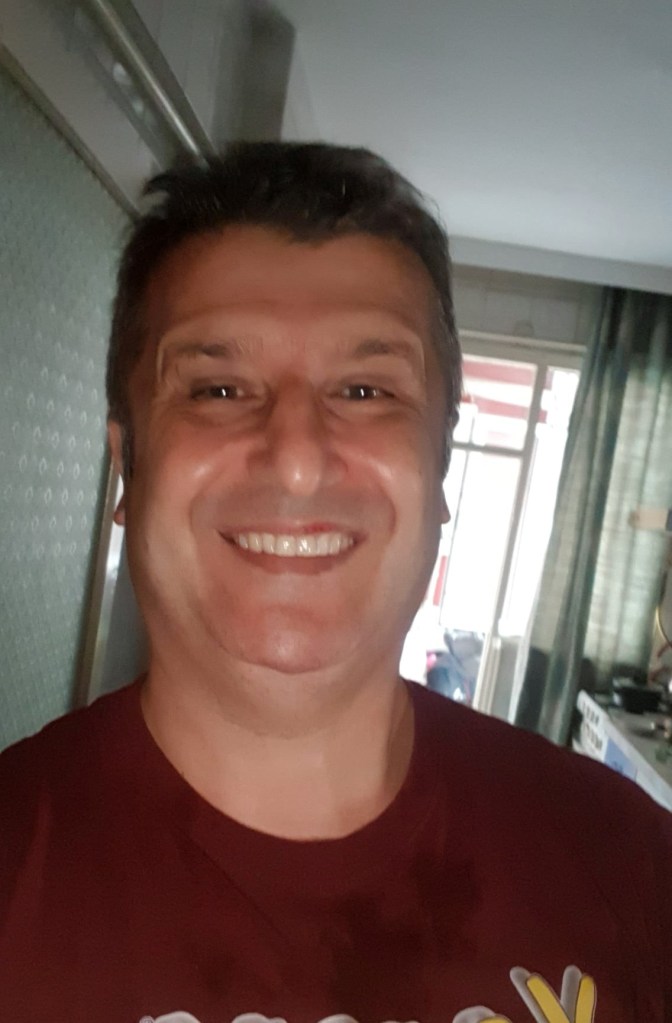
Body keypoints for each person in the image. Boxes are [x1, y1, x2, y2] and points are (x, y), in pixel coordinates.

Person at [0, 142, 670, 1023]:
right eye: (218, 388)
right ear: (127, 464)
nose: (298, 458)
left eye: (363, 391)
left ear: (437, 469)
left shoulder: (632, 863)